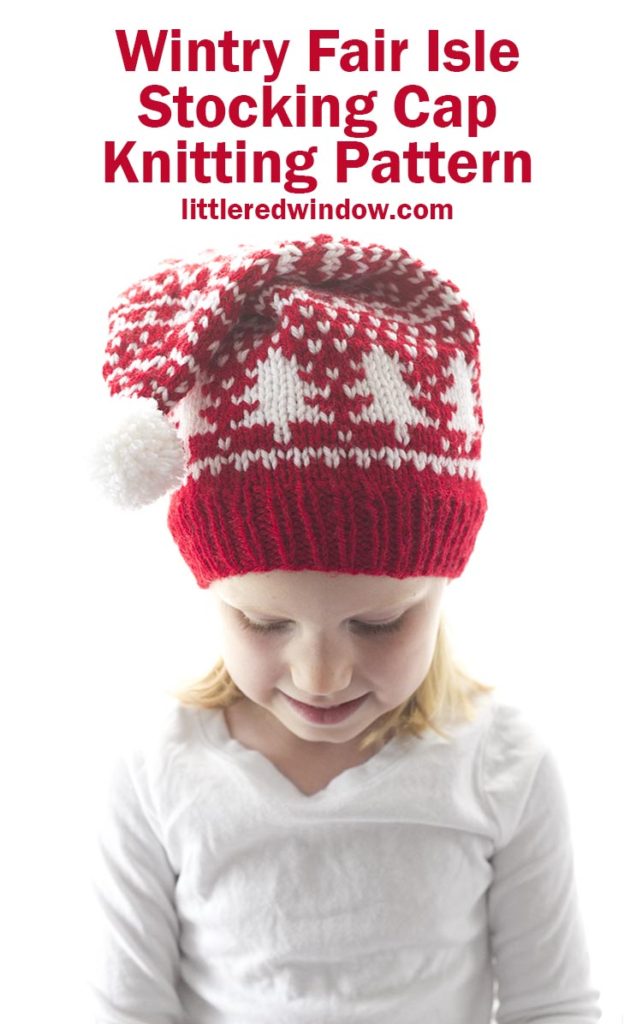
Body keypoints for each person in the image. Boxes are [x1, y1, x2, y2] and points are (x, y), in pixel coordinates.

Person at [88, 234, 602, 1023]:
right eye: (264, 622)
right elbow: (125, 1009)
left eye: (379, 623)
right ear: (212, 592)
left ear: (440, 588)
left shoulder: (502, 766)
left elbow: (553, 1003)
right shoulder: (159, 771)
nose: (321, 675)